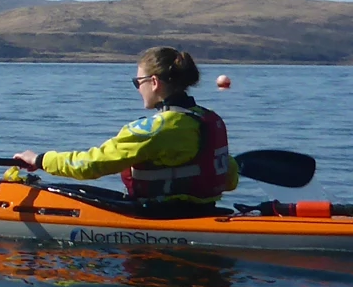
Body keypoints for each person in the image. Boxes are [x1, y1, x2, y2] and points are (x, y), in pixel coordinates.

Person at [12, 46, 239, 213]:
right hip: (205, 211)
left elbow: (90, 165)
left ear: (154, 82)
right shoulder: (209, 119)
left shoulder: (155, 129)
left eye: (137, 82)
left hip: (161, 216)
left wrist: (40, 160)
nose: (138, 89)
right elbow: (230, 179)